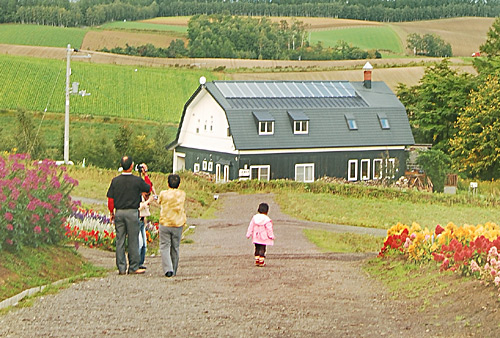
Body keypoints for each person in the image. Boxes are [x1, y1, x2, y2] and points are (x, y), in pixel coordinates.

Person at [107, 156, 152, 275]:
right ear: (131, 166)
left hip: (119, 212)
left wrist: (112, 212)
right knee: (133, 240)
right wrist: (145, 174)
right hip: (132, 212)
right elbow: (148, 189)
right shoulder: (137, 180)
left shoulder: (115, 181)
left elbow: (110, 199)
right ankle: (133, 267)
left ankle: (121, 268)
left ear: (121, 165)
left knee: (120, 240)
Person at [157, 173, 186, 277]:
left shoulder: (163, 193)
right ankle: (174, 268)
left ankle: (168, 269)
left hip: (165, 222)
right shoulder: (182, 194)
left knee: (164, 246)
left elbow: (159, 201)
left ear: (168, 183)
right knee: (175, 247)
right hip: (178, 223)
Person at [246, 203, 274, 267]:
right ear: (267, 211)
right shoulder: (267, 219)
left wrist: (248, 234)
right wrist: (271, 236)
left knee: (257, 248)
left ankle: (257, 260)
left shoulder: (254, 218)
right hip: (264, 237)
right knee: (262, 248)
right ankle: (261, 261)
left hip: (256, 236)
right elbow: (269, 229)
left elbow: (251, 226)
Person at [138, 192, 154, 269]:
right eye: (146, 195)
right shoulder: (138, 198)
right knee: (140, 243)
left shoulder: (144, 199)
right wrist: (147, 201)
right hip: (137, 221)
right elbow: (139, 208)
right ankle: (136, 263)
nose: (147, 197)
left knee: (144, 244)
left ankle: (141, 262)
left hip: (142, 221)